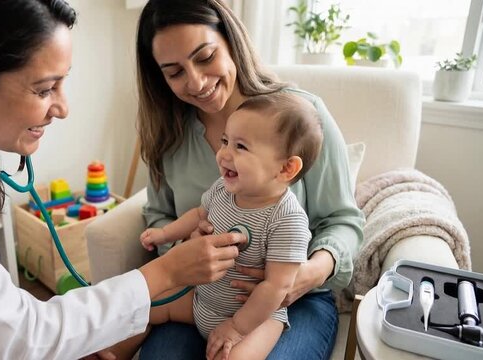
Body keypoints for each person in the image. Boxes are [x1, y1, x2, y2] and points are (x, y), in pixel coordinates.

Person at [0, 1, 246, 359]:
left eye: (62, 82)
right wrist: (168, 271)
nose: (63, 107)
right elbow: (14, 336)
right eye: (45, 88)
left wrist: (76, 336)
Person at [135, 0, 365, 359]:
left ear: (231, 42)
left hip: (292, 303)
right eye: (174, 72)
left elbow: (343, 221)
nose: (196, 82)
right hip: (203, 294)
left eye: (205, 56)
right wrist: (187, 253)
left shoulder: (301, 119)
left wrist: (304, 275)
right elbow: (158, 216)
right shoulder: (170, 137)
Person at [138, 93, 323, 360]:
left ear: (286, 168)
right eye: (225, 141)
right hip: (202, 301)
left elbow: (275, 288)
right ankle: (105, 348)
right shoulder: (223, 190)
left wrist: (236, 328)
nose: (223, 153)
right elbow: (199, 214)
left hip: (253, 320)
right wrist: (165, 233)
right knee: (143, 307)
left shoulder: (288, 220)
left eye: (241, 147)